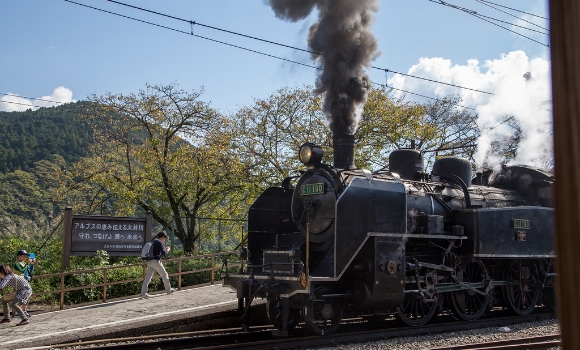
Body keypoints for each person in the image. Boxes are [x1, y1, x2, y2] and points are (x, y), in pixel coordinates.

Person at [140, 230, 176, 298]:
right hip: (156, 261)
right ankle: (168, 290)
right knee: (165, 275)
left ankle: (143, 293)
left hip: (149, 261)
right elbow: (164, 253)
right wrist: (167, 250)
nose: (164, 240)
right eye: (164, 238)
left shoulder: (153, 241)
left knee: (148, 277)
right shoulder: (159, 242)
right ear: (162, 236)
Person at [13, 250, 35, 318]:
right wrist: (27, 263)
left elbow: (30, 270)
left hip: (24, 282)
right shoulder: (17, 263)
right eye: (23, 255)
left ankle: (23, 310)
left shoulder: (23, 263)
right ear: (18, 256)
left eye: (26, 255)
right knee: (21, 296)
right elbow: (22, 269)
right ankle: (17, 312)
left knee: (27, 296)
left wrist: (32, 264)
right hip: (19, 283)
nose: (25, 257)